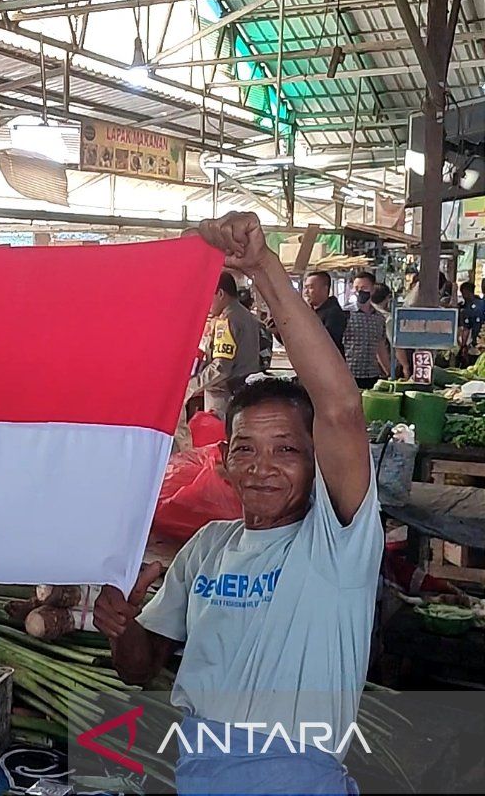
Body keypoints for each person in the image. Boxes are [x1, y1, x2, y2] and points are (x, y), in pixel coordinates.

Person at [94, 212, 382, 795]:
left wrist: (263, 269)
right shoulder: (207, 549)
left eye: (286, 450)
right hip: (197, 773)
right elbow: (140, 667)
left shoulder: (337, 543)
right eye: (246, 449)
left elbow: (342, 409)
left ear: (317, 461)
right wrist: (121, 625)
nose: (262, 467)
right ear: (222, 459)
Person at [186, 272, 262, 420]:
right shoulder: (246, 315)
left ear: (220, 293)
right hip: (243, 391)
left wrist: (191, 386)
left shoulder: (226, 321)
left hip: (223, 397)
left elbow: (220, 368)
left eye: (207, 296)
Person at [344, 271, 389, 389]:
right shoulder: (345, 314)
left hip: (371, 375)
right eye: (356, 288)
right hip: (348, 374)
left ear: (372, 290)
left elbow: (380, 346)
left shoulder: (379, 318)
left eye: (364, 288)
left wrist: (389, 372)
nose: (359, 291)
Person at [302, 270, 347, 353]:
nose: (306, 292)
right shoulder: (311, 311)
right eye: (305, 287)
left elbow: (325, 342)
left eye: (311, 287)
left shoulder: (334, 313)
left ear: (324, 289)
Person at [370, 283, 399, 379]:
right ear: (387, 298)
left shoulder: (366, 313)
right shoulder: (387, 318)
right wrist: (405, 367)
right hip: (383, 366)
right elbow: (395, 344)